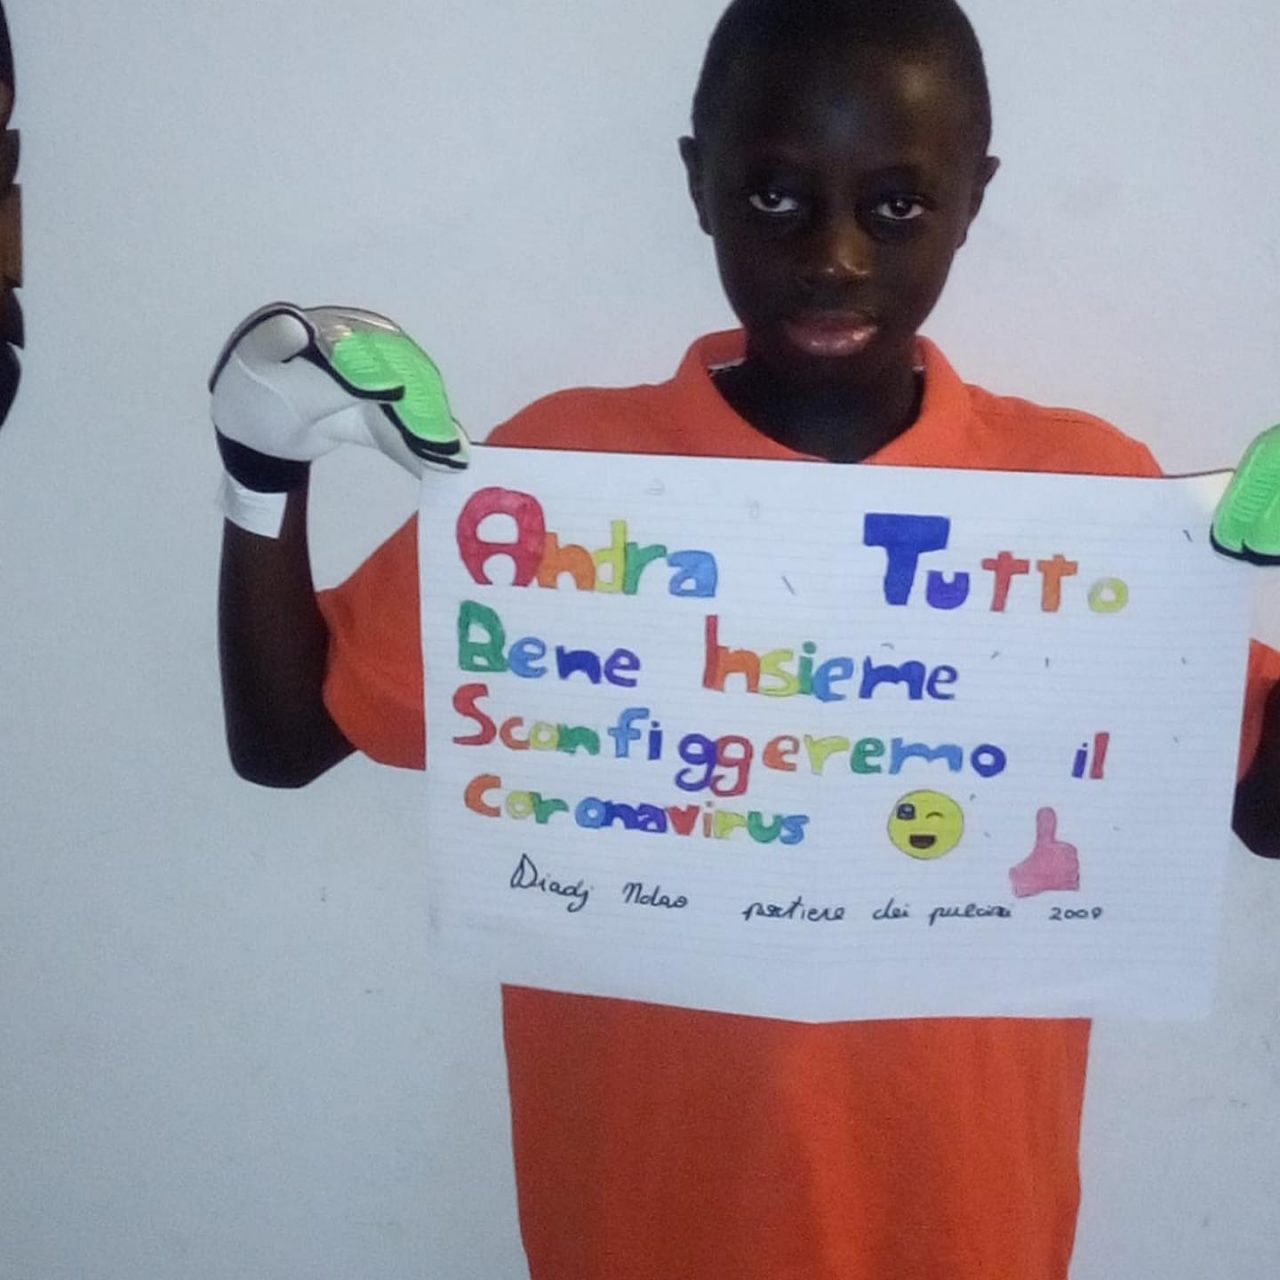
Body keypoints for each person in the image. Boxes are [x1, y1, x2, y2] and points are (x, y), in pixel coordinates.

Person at [211, 1, 1280, 1276]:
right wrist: (259, 468)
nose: (833, 256)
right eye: (774, 198)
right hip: (635, 1230)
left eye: (894, 204)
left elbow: (1262, 808)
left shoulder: (1083, 502)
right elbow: (286, 738)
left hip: (966, 1230)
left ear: (972, 198)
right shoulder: (562, 486)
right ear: (697, 184)